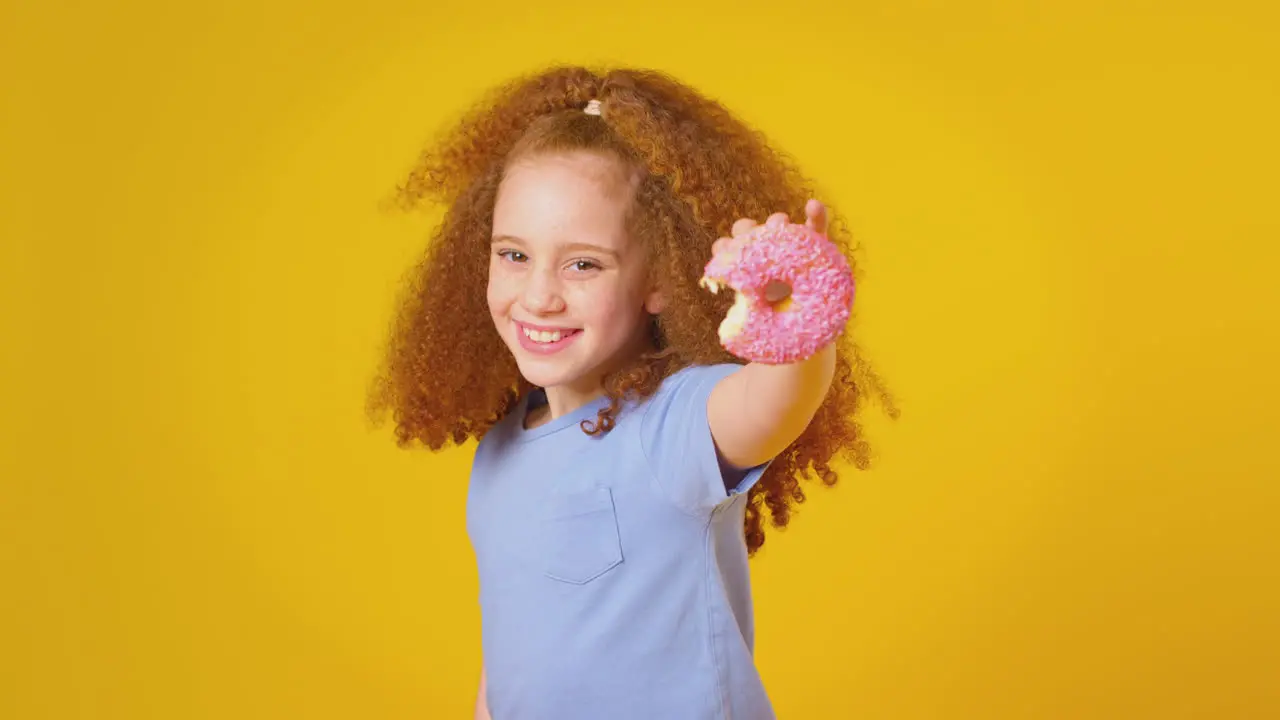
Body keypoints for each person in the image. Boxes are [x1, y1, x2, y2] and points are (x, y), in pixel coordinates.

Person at [369, 65, 893, 720]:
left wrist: (798, 320)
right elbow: (514, 649)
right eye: (513, 255)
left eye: (583, 263)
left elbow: (778, 399)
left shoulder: (675, 426)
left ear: (662, 279)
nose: (538, 295)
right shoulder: (500, 452)